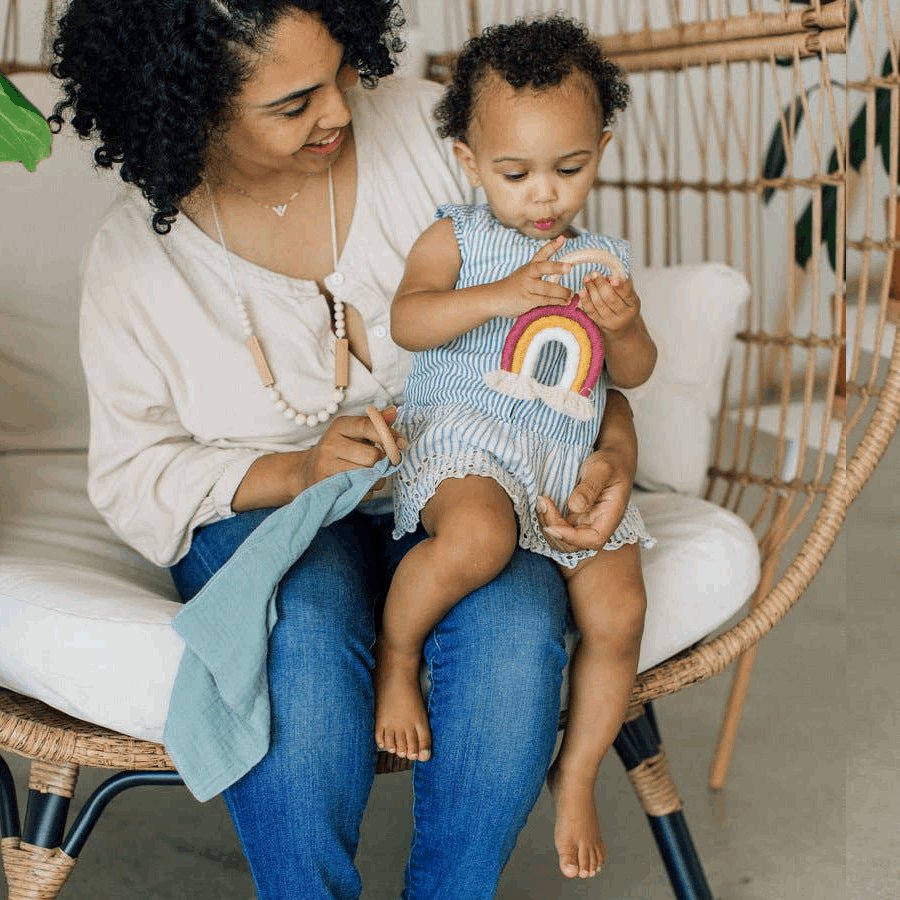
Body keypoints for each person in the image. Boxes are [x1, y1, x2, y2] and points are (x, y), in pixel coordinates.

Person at [51, 0, 642, 895]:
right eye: (293, 104)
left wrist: (616, 455)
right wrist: (297, 470)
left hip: (460, 479)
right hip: (270, 503)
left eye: (341, 72)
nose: (337, 109)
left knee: (518, 623)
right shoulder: (139, 261)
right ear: (190, 104)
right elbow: (135, 476)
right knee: (306, 631)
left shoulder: (430, 134)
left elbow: (572, 354)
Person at [375, 15, 657, 881]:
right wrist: (498, 293)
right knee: (477, 541)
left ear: (601, 151)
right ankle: (398, 657)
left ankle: (574, 777)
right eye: (515, 173)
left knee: (618, 611)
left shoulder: (601, 257)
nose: (544, 195)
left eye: (569, 169)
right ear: (468, 163)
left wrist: (627, 325)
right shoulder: (455, 237)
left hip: (562, 458)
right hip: (468, 441)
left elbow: (634, 373)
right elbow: (408, 321)